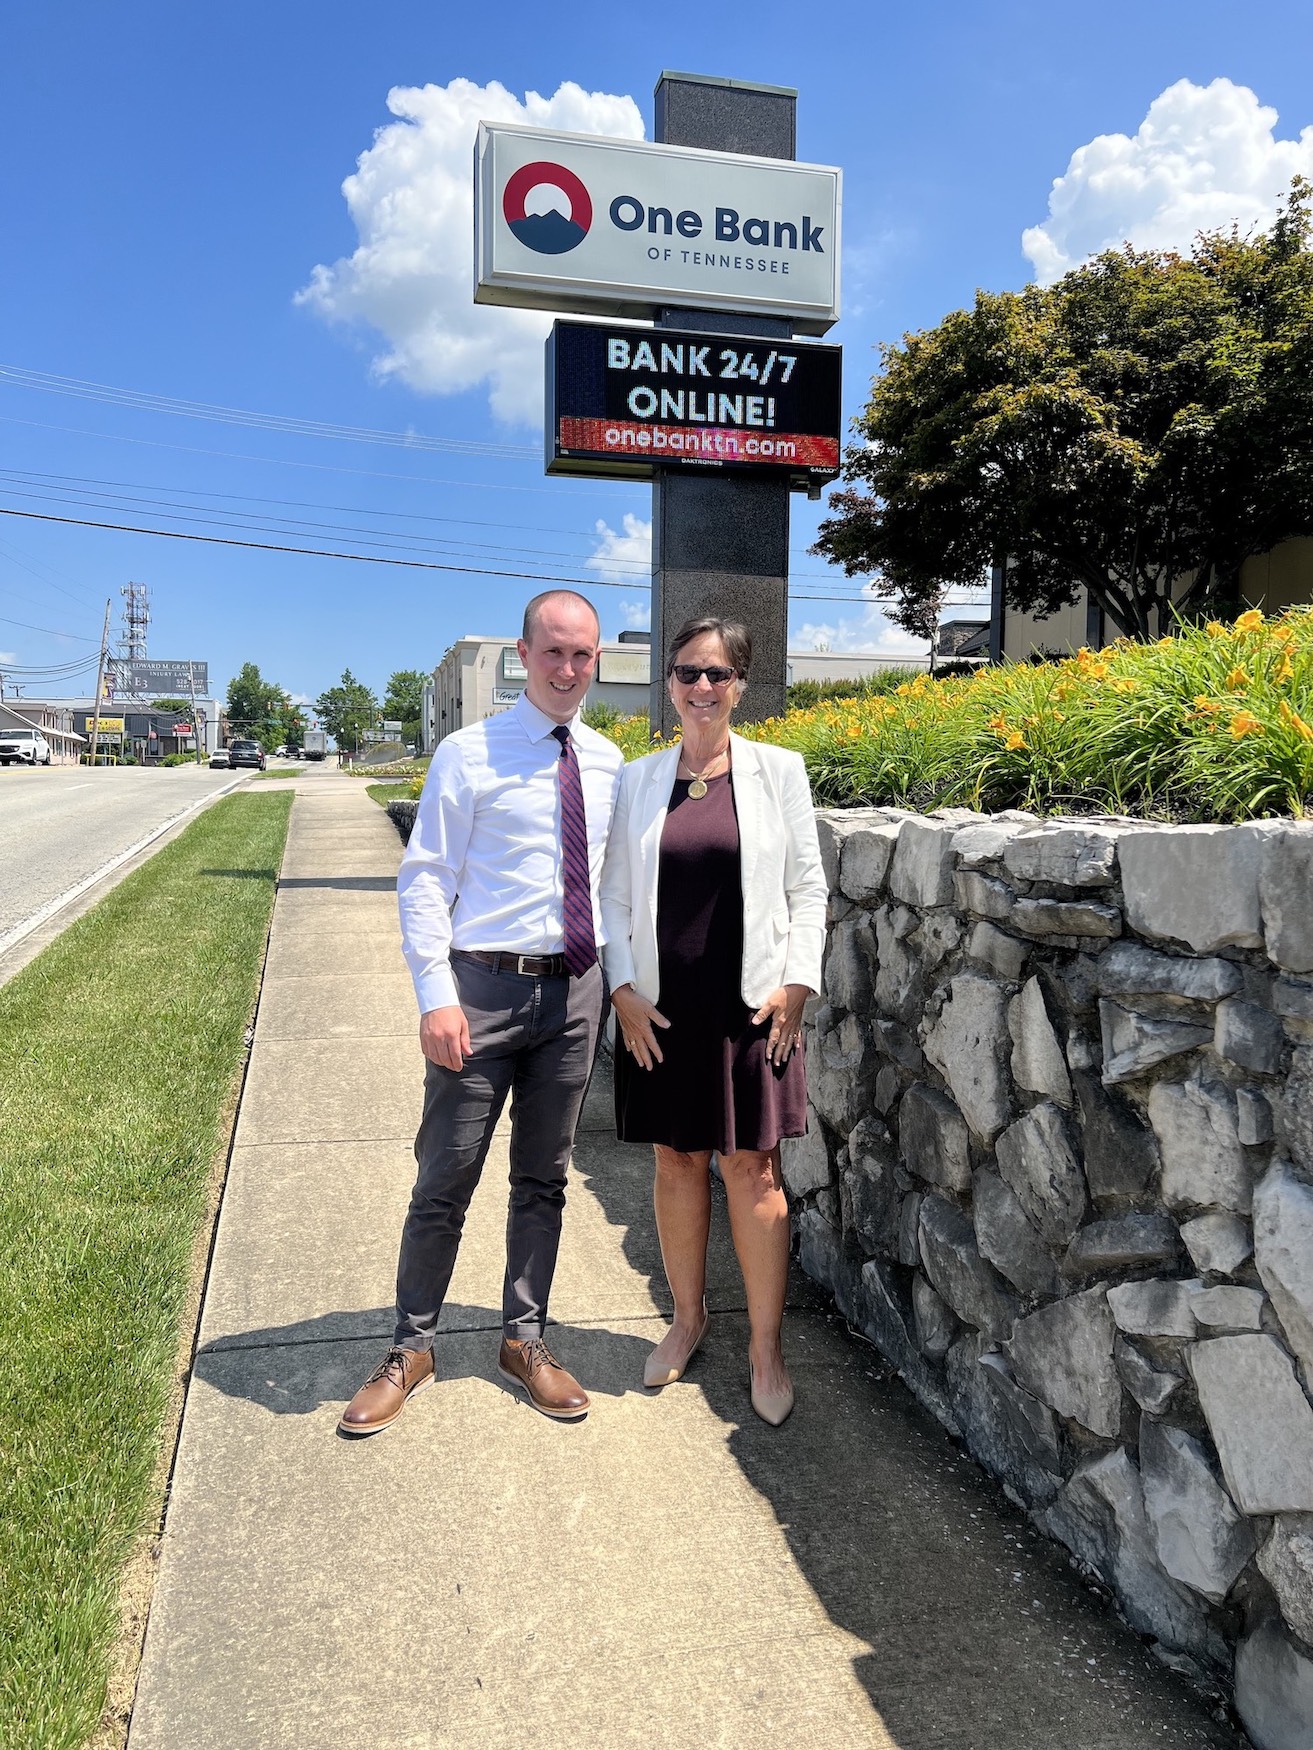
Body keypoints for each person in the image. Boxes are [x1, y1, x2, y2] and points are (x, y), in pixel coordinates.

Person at [339, 590, 623, 1434]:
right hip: (481, 991)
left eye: (582, 655)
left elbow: (610, 887)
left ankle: (523, 1338)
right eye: (553, 653)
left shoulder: (609, 763)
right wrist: (435, 994)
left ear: (596, 660)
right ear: (524, 658)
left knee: (544, 1178)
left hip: (574, 991)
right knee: (445, 1176)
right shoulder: (470, 754)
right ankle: (412, 1345)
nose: (568, 669)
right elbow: (425, 876)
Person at [600, 617, 827, 1425]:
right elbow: (614, 896)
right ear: (668, 683)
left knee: (753, 1170)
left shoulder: (777, 773)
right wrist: (621, 989)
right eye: (689, 673)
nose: (703, 688)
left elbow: (808, 888)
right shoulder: (637, 780)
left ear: (742, 686)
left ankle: (765, 1348)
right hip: (659, 1010)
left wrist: (800, 981)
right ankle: (687, 1319)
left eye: (719, 675)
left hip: (751, 1009)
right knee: (674, 1162)